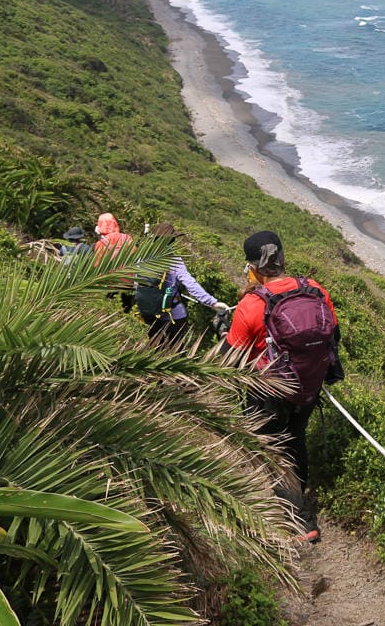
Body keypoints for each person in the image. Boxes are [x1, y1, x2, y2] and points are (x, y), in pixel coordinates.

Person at [225, 230, 339, 544]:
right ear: (283, 257)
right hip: (308, 387)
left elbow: (231, 356)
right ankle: (297, 498)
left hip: (269, 393)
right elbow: (333, 335)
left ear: (252, 266)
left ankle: (299, 519)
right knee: (296, 439)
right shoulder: (315, 289)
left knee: (273, 449)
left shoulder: (251, 304)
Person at [141, 223, 230, 347]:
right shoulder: (173, 259)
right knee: (175, 348)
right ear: (171, 241)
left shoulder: (142, 258)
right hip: (174, 314)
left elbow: (137, 284)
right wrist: (212, 302)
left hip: (148, 313)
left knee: (155, 345)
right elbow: (190, 283)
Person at [94, 213, 135, 312]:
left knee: (111, 310)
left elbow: (97, 266)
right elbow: (135, 258)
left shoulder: (101, 244)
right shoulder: (128, 238)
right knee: (128, 309)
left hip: (111, 282)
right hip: (129, 281)